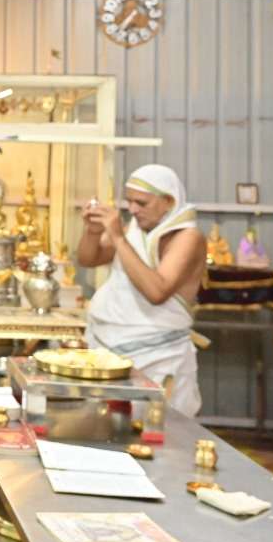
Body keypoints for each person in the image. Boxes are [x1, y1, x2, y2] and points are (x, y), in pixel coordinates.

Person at [78, 165, 206, 417]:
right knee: (107, 428)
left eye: (141, 203)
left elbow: (156, 292)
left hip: (159, 356)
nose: (133, 210)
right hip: (108, 350)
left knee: (157, 432)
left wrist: (118, 238)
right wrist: (93, 232)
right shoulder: (133, 230)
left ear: (168, 201)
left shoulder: (188, 237)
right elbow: (88, 259)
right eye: (129, 202)